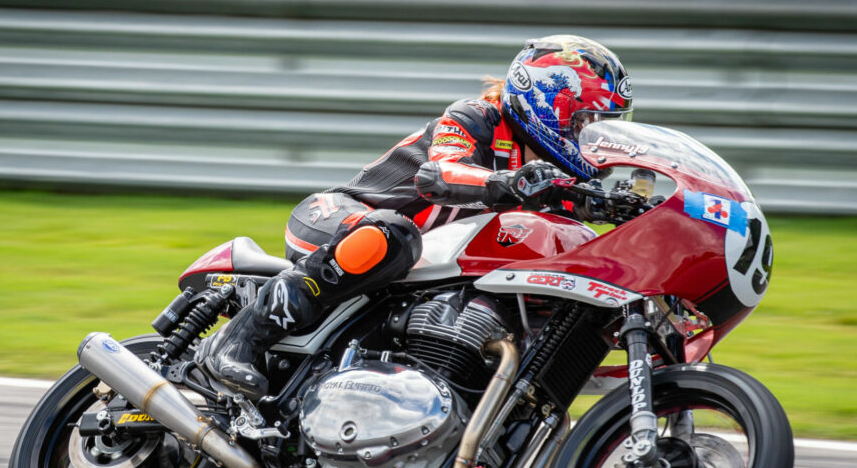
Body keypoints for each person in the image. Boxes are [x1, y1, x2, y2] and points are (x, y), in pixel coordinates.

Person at [198, 34, 634, 399]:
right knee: (394, 236)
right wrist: (508, 182)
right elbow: (439, 172)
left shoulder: (555, 181)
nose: (591, 136)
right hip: (345, 219)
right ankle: (238, 338)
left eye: (604, 125)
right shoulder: (479, 116)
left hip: (415, 265)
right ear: (546, 103)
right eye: (584, 122)